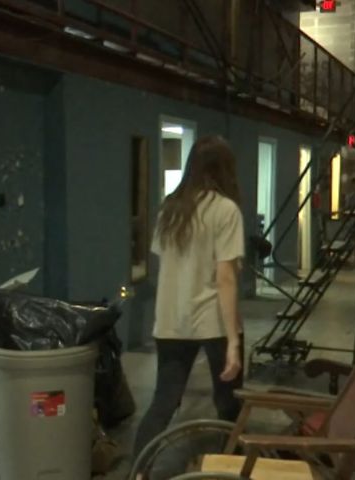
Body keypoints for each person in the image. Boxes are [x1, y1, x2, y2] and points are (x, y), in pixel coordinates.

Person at [132, 135, 245, 464]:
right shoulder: (225, 210)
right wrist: (234, 342)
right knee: (229, 402)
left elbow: (164, 260)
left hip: (170, 321)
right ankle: (232, 464)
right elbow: (225, 278)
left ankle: (138, 472)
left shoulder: (170, 208)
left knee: (164, 402)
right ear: (225, 169)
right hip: (214, 321)